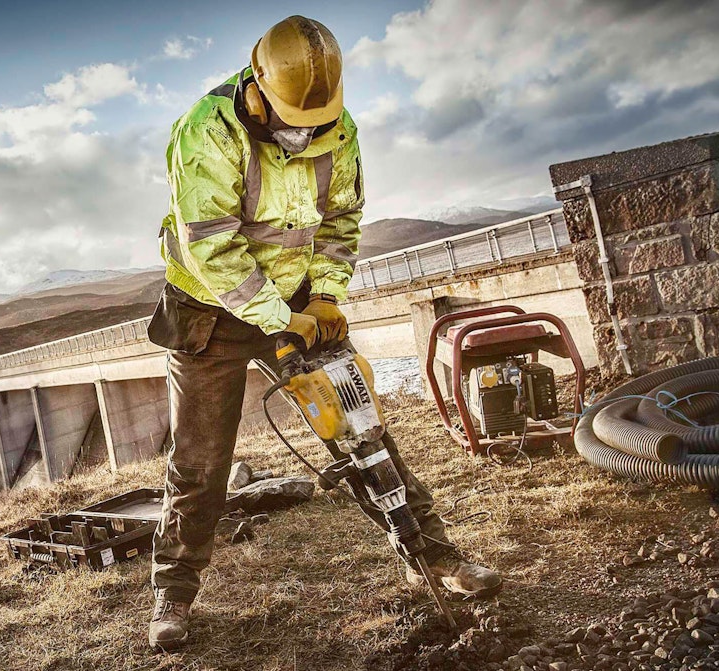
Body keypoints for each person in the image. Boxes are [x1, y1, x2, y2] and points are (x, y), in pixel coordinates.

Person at [145, 15, 501, 651]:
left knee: (363, 432)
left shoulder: (339, 128)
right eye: (292, 116)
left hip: (301, 302)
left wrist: (329, 297)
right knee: (199, 466)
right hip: (211, 315)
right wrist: (282, 322)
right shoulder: (205, 132)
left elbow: (341, 219)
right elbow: (210, 246)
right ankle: (172, 593)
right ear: (257, 80)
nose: (304, 130)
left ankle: (437, 558)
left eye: (316, 118)